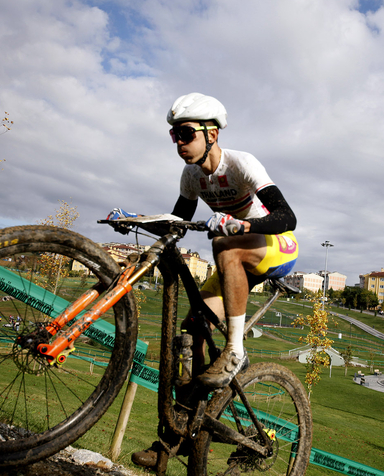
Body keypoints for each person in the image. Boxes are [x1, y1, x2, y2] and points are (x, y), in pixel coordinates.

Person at [128, 92, 298, 468]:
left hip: (277, 247)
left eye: (186, 134)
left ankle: (235, 350)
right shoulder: (191, 176)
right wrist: (134, 219)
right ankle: (176, 438)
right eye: (174, 136)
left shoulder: (242, 164)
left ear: (211, 134)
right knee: (191, 330)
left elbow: (288, 217)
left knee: (225, 244)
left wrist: (244, 224)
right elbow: (177, 222)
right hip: (234, 259)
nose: (179, 144)